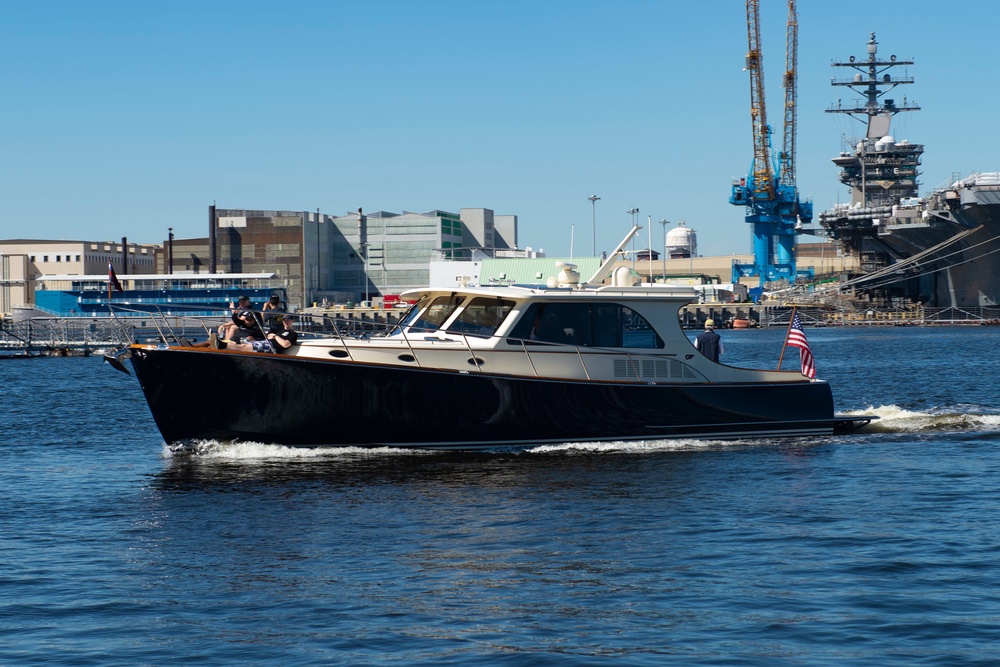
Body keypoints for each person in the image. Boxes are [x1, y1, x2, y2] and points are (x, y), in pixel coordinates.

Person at [224, 315, 298, 354]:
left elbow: (285, 344)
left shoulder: (293, 334)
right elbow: (268, 337)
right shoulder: (280, 331)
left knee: (244, 346)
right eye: (284, 320)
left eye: (288, 320)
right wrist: (270, 336)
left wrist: (275, 336)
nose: (286, 322)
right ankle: (221, 344)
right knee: (239, 342)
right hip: (265, 343)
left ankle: (222, 345)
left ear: (292, 321)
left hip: (271, 348)